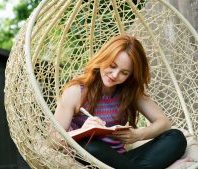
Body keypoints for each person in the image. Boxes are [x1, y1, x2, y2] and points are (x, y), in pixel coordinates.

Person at [54, 34, 187, 169]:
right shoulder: (76, 92)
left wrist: (138, 135)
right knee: (87, 145)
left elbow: (164, 123)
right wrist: (84, 131)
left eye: (124, 73)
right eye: (112, 66)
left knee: (176, 137)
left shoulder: (129, 92)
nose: (114, 75)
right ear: (103, 58)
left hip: (121, 161)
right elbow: (53, 140)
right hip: (91, 158)